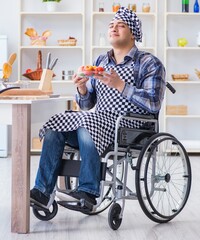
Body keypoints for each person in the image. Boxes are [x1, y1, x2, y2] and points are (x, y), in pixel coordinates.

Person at [30, 7, 166, 210]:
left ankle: (88, 191)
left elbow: (153, 103)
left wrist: (121, 85)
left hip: (131, 129)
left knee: (87, 123)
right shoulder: (101, 62)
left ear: (134, 33)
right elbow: (87, 105)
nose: (114, 28)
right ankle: (42, 192)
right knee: (56, 125)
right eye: (111, 25)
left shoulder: (149, 63)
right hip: (98, 124)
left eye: (121, 25)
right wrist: (82, 87)